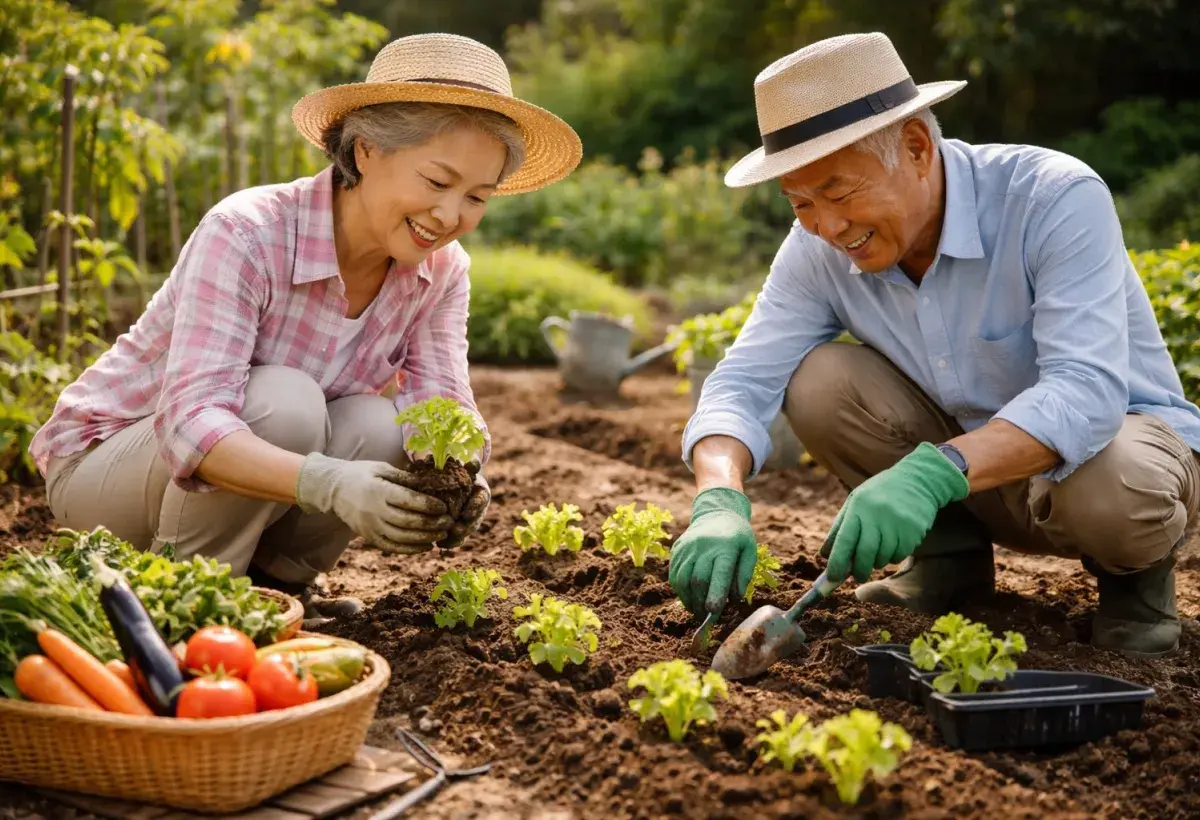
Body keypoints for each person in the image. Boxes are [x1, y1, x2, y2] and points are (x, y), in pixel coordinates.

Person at [668, 32, 1200, 658]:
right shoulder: (816, 247)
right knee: (818, 380)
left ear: (917, 147)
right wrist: (718, 495)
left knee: (1111, 479)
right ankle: (946, 562)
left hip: (1108, 471)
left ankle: (1136, 586)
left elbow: (1087, 393)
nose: (828, 227)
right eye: (800, 202)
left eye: (839, 192)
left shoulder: (1052, 196)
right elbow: (744, 379)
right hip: (976, 484)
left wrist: (931, 473)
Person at [29, 33, 582, 622]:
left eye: (477, 196)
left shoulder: (442, 272)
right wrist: (329, 483)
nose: (450, 216)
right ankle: (189, 603)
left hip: (233, 479)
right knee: (285, 403)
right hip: (106, 473)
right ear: (366, 151)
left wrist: (465, 469)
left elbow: (444, 400)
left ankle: (278, 591)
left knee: (386, 426)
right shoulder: (247, 233)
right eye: (436, 182)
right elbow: (191, 422)